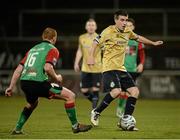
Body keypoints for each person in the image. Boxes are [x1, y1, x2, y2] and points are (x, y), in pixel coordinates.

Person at [5, 27, 92, 134]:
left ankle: (17, 129)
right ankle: (75, 126)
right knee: (70, 96)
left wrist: (11, 86)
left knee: (32, 103)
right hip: (39, 84)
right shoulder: (52, 49)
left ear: (43, 37)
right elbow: (48, 67)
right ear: (54, 38)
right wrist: (56, 77)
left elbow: (18, 69)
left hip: (25, 83)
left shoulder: (33, 49)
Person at [87, 10, 163, 130]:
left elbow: (138, 38)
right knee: (116, 91)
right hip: (109, 67)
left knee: (134, 92)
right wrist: (91, 56)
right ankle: (96, 112)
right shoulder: (108, 31)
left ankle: (125, 119)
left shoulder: (128, 31)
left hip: (121, 68)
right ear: (115, 20)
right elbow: (95, 42)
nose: (124, 23)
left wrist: (152, 43)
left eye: (126, 20)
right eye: (122, 20)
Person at [116, 18, 146, 118]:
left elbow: (142, 54)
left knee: (130, 91)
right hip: (121, 68)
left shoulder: (137, 39)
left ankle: (125, 110)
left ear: (133, 27)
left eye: (130, 25)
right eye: (126, 25)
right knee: (122, 91)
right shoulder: (120, 37)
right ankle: (120, 107)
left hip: (132, 69)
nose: (128, 27)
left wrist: (141, 64)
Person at [74, 19, 102, 109]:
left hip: (97, 67)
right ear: (86, 27)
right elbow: (80, 51)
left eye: (93, 25)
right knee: (84, 90)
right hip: (85, 67)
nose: (91, 27)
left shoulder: (100, 37)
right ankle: (95, 102)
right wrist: (76, 62)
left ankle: (94, 110)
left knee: (95, 89)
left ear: (96, 27)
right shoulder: (81, 37)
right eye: (89, 25)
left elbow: (105, 51)